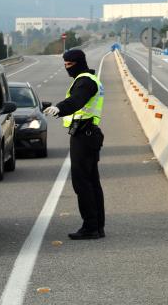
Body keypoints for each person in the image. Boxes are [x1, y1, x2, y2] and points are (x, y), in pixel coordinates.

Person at [44, 49, 105, 240]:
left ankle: (90, 227)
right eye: (64, 65)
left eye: (69, 65)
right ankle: (97, 226)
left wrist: (59, 108)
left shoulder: (85, 82)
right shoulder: (87, 80)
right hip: (87, 134)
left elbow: (76, 101)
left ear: (78, 63)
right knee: (92, 182)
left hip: (84, 136)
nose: (66, 68)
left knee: (82, 183)